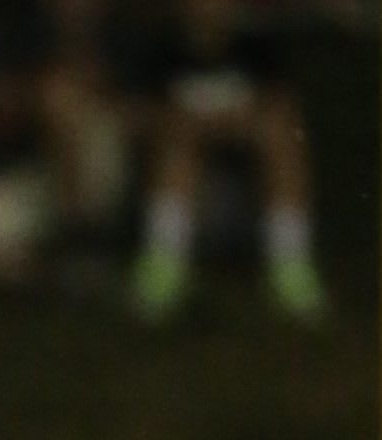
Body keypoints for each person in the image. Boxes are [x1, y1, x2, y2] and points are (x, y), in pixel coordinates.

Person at [123, 0, 326, 323]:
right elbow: (138, 116)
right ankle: (162, 270)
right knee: (178, 147)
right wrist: (183, 125)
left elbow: (282, 109)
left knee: (282, 139)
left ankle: (290, 265)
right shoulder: (163, 49)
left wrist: (231, 124)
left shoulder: (256, 49)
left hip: (247, 197)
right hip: (181, 192)